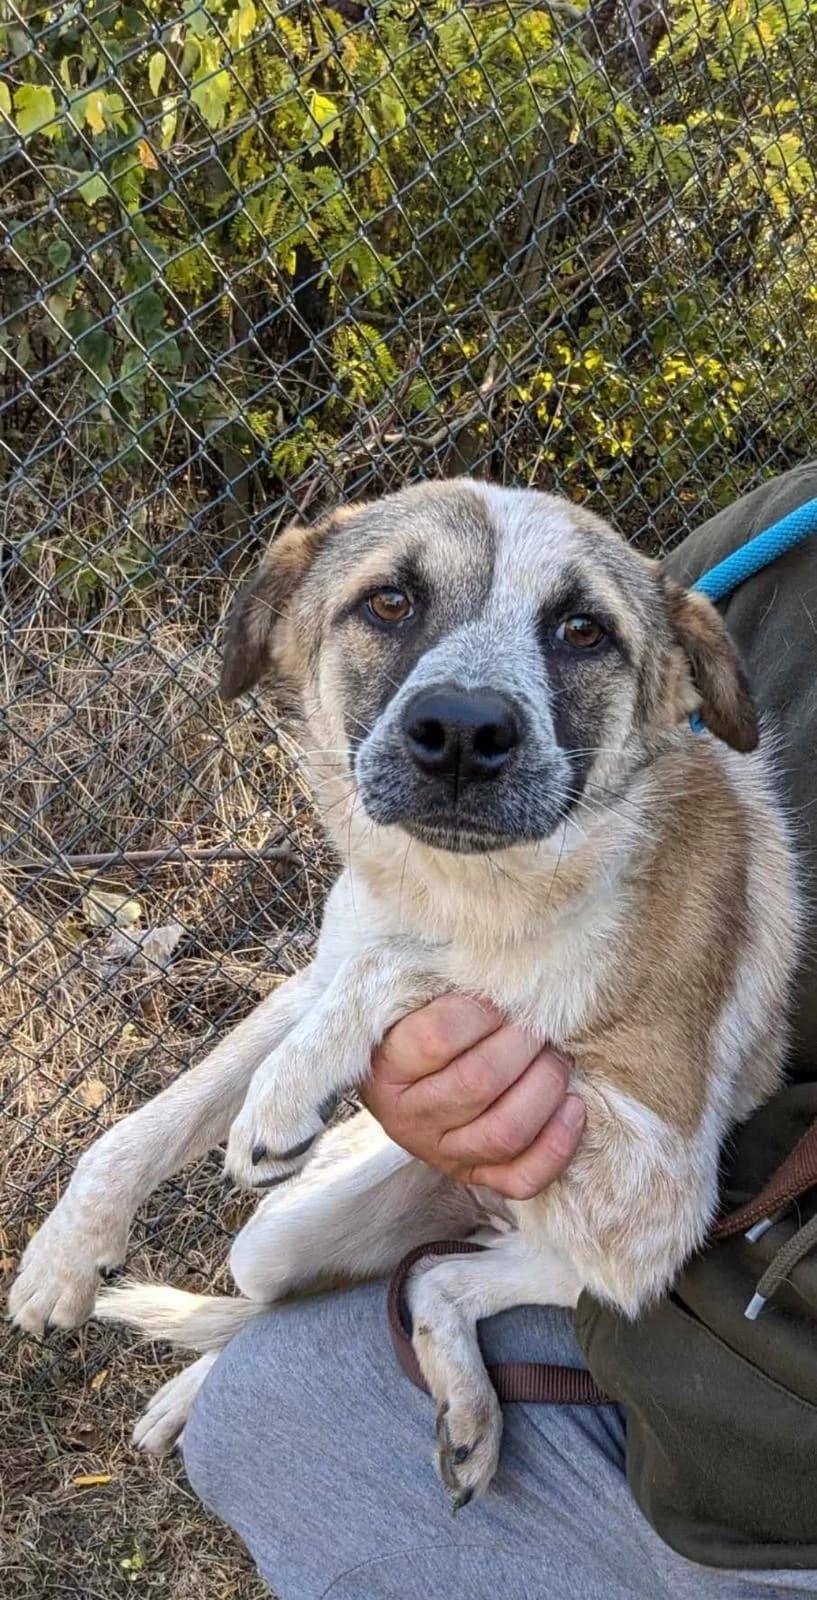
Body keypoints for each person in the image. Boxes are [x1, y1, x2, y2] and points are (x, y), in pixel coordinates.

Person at [182, 464, 817, 1599]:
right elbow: (590, 616)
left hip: (755, 1388)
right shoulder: (784, 542)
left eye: (577, 634)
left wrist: (383, 1009)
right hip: (684, 1320)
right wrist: (412, 1069)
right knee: (251, 1413)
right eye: (388, 605)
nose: (467, 710)